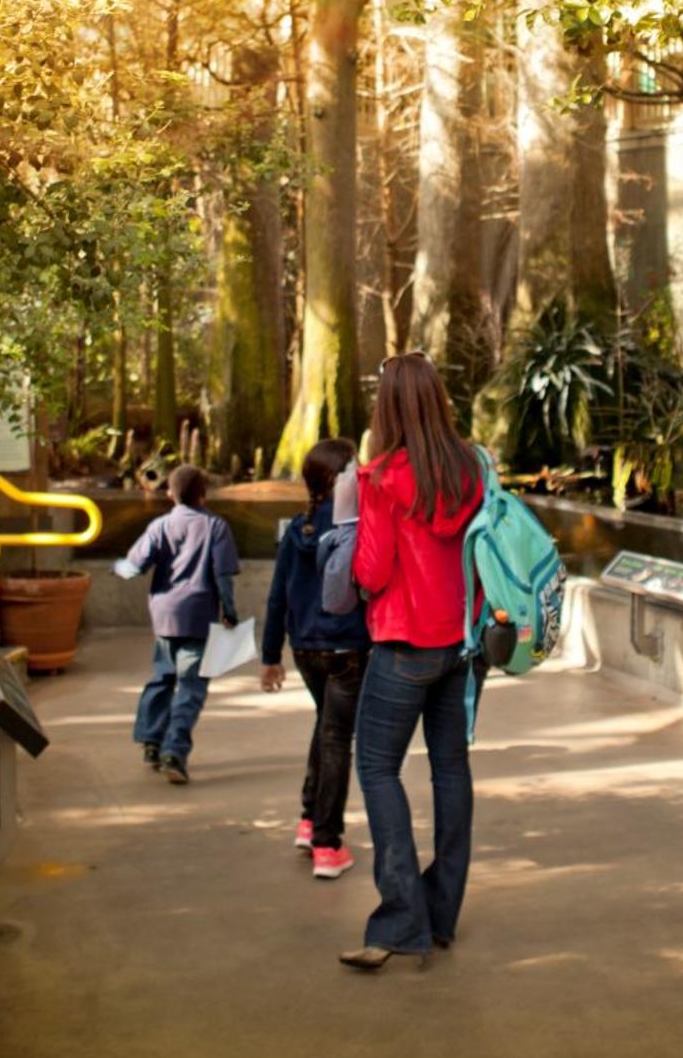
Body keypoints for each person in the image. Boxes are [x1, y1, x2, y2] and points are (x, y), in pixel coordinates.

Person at [341, 352, 486, 972]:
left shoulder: (380, 480)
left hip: (403, 645)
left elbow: (370, 572)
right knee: (449, 770)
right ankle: (441, 912)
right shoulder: (472, 469)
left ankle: (403, 920)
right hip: (462, 644)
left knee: (376, 768)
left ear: (388, 406)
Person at [259, 436, 369, 881]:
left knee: (327, 726)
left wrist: (271, 655)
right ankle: (327, 842)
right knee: (338, 738)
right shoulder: (355, 527)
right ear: (341, 478)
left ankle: (309, 819)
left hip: (305, 648)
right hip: (347, 648)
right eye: (355, 469)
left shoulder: (296, 531)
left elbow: (276, 596)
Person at [113, 463, 238, 784]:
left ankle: (151, 741)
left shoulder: (160, 526)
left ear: (170, 494)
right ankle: (175, 750)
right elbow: (223, 575)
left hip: (164, 614)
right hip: (199, 615)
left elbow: (133, 567)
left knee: (163, 675)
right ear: (204, 495)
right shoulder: (216, 527)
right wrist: (230, 611)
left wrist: (118, 566)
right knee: (192, 685)